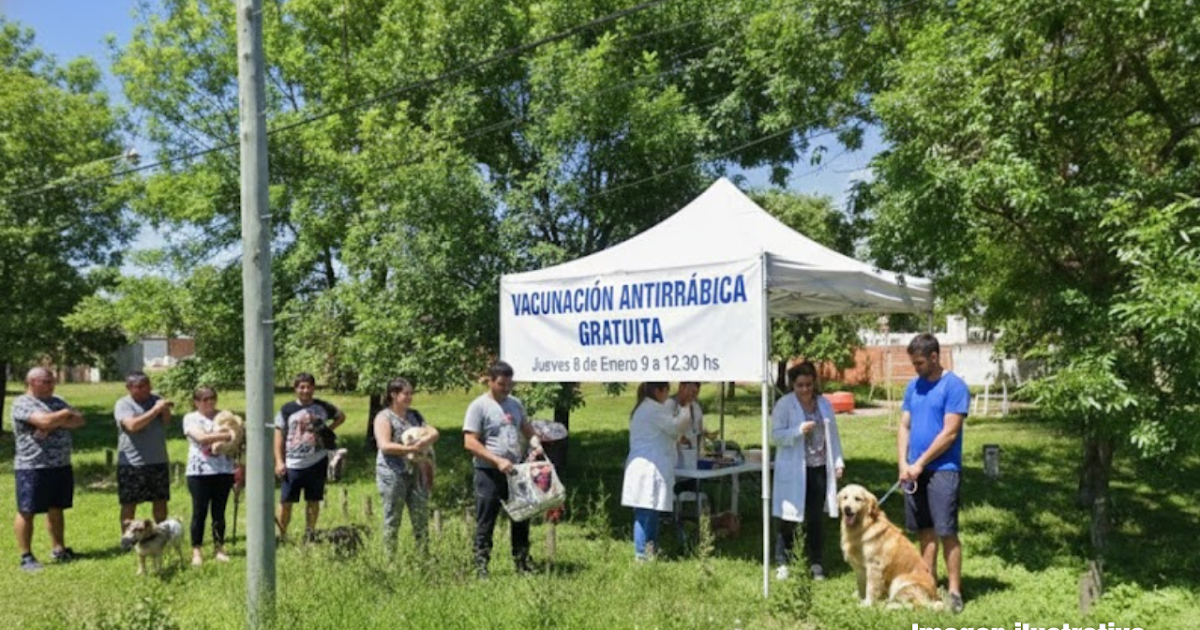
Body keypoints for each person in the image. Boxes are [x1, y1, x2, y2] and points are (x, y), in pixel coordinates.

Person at [898, 333, 970, 614]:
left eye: (919, 363)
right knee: (924, 531)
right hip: (915, 472)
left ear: (934, 357)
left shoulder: (954, 387)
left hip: (943, 470)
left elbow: (950, 432)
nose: (915, 368)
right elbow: (904, 426)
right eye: (913, 363)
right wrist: (903, 464)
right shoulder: (913, 388)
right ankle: (929, 583)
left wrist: (921, 463)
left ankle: (954, 591)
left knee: (946, 530)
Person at [462, 361, 544, 578]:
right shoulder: (478, 407)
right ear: (489, 381)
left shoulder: (515, 404)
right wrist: (496, 460)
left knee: (521, 517)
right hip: (488, 472)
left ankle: (522, 563)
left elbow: (525, 427)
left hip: (515, 471)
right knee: (486, 520)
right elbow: (470, 442)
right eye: (501, 384)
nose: (506, 389)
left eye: (509, 384)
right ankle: (481, 567)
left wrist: (535, 442)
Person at [771, 361, 845, 580]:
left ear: (814, 383)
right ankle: (783, 561)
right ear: (792, 384)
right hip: (794, 468)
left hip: (819, 467)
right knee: (789, 517)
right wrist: (797, 431)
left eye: (809, 384)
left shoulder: (823, 404)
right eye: (800, 385)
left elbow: (833, 435)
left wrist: (838, 461)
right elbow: (776, 435)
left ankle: (816, 563)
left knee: (815, 518)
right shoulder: (784, 405)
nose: (805, 389)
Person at [11, 368, 86, 571]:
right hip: (33, 465)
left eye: (52, 381)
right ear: (32, 382)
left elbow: (80, 421)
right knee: (27, 510)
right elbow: (45, 420)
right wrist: (64, 415)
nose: (52, 385)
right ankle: (26, 556)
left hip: (60, 464)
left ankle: (59, 549)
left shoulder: (57, 400)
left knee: (56, 508)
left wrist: (53, 422)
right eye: (47, 381)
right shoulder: (22, 403)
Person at [621, 382, 690, 561]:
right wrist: (685, 407)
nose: (668, 396)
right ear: (658, 391)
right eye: (666, 391)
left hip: (647, 466)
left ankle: (650, 550)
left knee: (650, 512)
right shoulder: (652, 410)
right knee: (645, 513)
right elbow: (676, 427)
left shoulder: (647, 408)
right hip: (647, 468)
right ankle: (641, 554)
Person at [274, 372, 345, 540]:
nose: (305, 391)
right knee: (285, 502)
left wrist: (328, 431)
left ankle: (310, 533)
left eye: (308, 387)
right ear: (296, 389)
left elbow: (341, 416)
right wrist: (279, 461)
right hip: (292, 463)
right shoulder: (287, 409)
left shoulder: (322, 407)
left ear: (313, 388)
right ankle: (281, 535)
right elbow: (278, 435)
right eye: (301, 387)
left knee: (313, 500)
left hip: (317, 461)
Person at [373, 377, 439, 555]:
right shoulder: (383, 417)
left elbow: (433, 431)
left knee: (420, 516)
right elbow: (385, 446)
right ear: (394, 395)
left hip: (416, 472)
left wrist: (426, 439)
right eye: (406, 394)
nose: (410, 397)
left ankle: (424, 557)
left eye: (411, 393)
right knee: (392, 517)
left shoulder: (414, 415)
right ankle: (390, 559)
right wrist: (410, 448)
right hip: (392, 473)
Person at [182, 386, 236, 566]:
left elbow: (240, 435)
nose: (209, 402)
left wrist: (231, 435)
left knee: (219, 512)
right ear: (196, 402)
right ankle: (196, 551)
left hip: (224, 470)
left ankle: (219, 548)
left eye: (212, 398)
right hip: (199, 471)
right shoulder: (190, 418)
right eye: (204, 399)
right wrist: (228, 435)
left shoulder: (225, 417)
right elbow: (201, 438)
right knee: (200, 511)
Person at [114, 371, 173, 532]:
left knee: (160, 501)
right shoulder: (123, 404)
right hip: (133, 463)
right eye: (139, 387)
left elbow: (167, 421)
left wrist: (164, 409)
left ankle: (162, 535)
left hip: (158, 460)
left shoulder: (156, 399)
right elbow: (132, 426)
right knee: (129, 504)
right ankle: (127, 539)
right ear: (129, 388)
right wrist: (155, 410)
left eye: (147, 385)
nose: (144, 389)